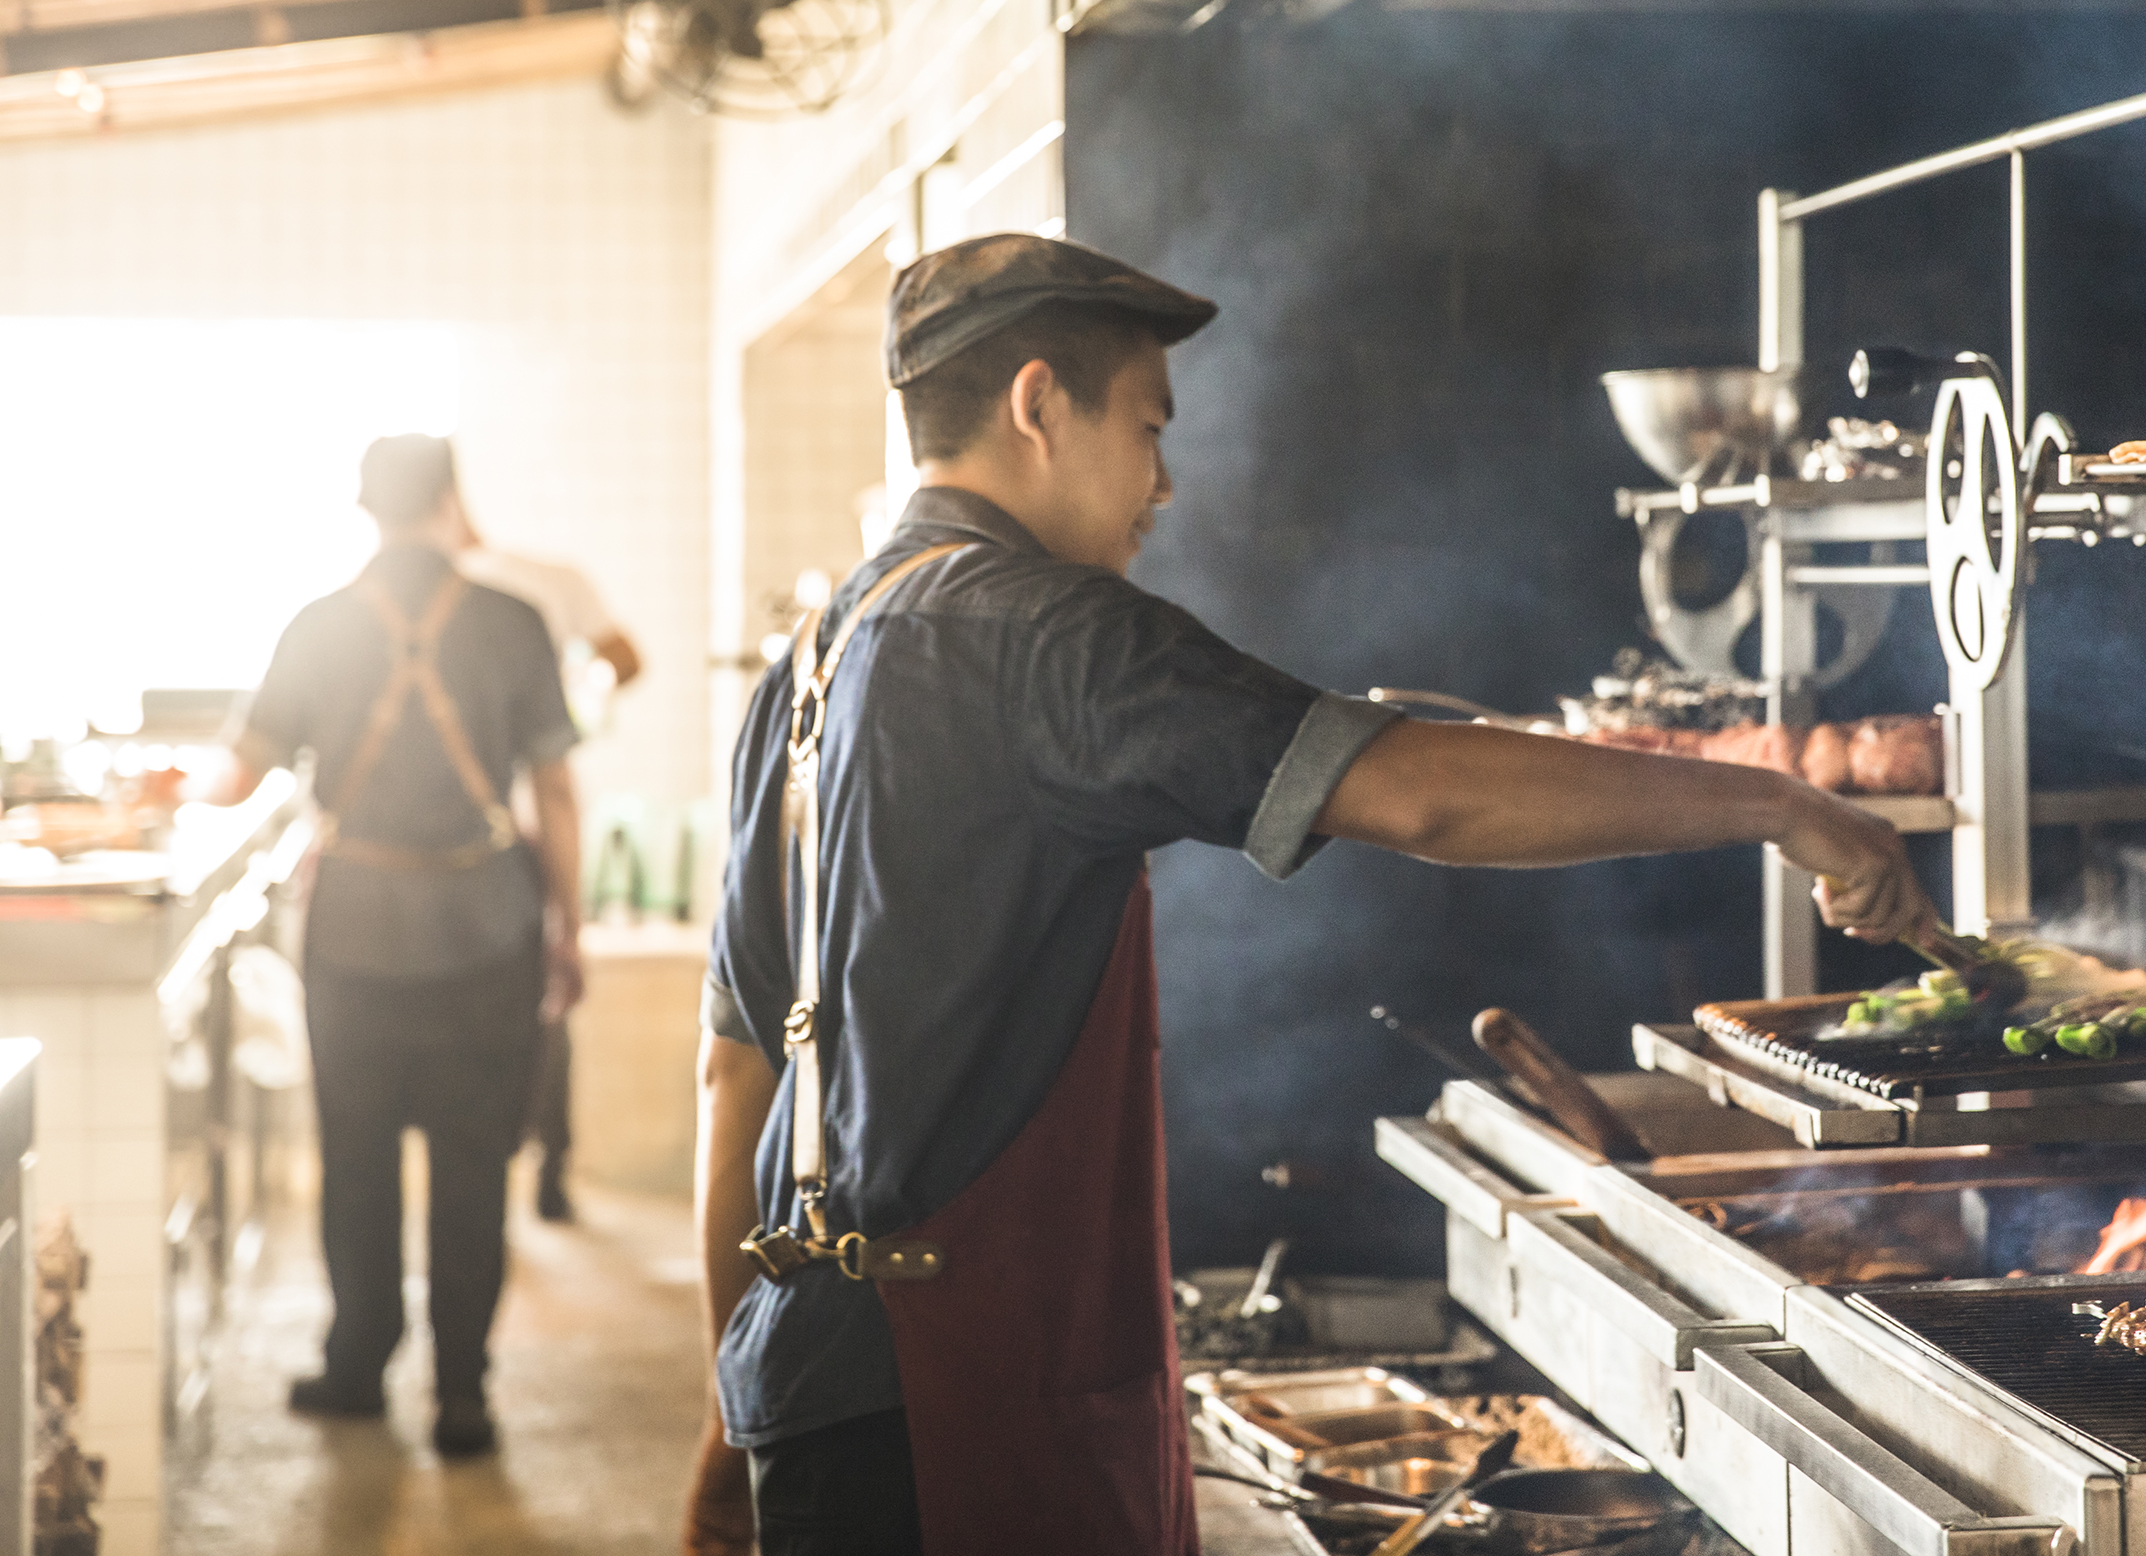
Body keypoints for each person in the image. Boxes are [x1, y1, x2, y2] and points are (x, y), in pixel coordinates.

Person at [680, 236, 1930, 1556]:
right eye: (1149, 428)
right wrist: (1783, 805)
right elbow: (1424, 794)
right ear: (1040, 403)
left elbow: (739, 1073)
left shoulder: (810, 665)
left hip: (813, 1388)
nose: (1162, 485)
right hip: (967, 1417)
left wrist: (732, 1408)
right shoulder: (1050, 634)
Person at [201, 435, 586, 1459]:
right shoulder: (513, 620)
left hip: (357, 929)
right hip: (488, 926)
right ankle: (464, 1396)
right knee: (473, 1169)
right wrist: (570, 926)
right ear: (451, 499)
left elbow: (234, 777)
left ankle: (357, 1367)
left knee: (357, 1161)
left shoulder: (318, 623)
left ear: (365, 507)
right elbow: (553, 787)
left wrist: (170, 789)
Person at [457, 511, 644, 1224]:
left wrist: (574, 701)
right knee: (546, 996)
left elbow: (623, 658)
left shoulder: (529, 582)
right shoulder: (546, 582)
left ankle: (521, 1164)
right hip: (531, 820)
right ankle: (548, 1165)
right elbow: (626, 658)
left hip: (486, 834)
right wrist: (576, 702)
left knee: (510, 1002)